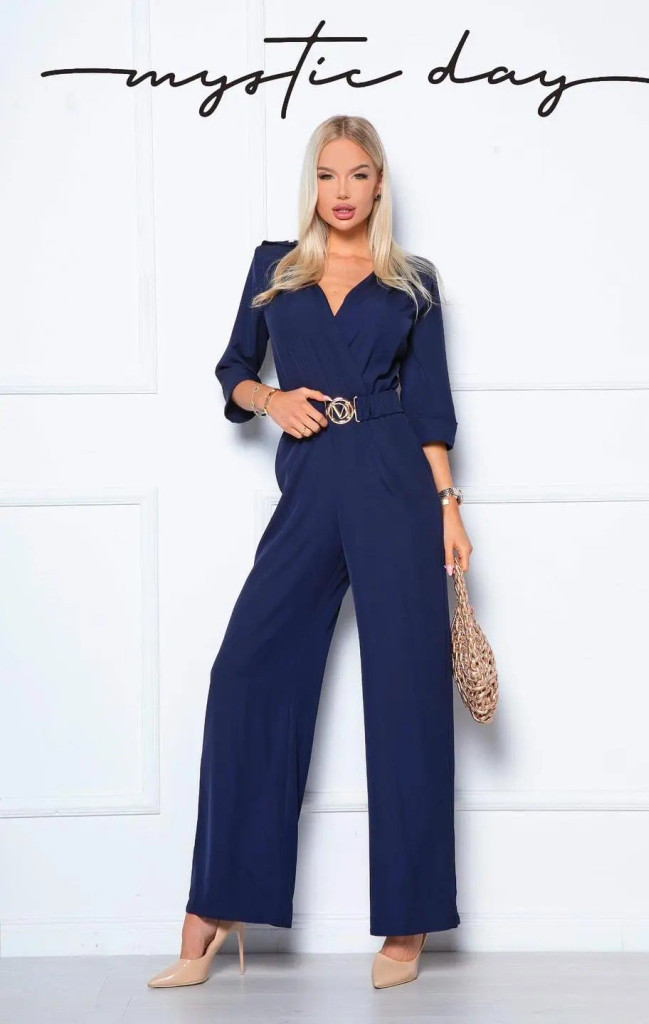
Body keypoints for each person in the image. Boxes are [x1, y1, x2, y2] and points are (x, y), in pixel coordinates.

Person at [148, 114, 473, 992]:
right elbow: (233, 370)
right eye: (327, 175)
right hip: (311, 482)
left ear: (378, 184)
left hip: (395, 484)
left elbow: (430, 404)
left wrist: (448, 506)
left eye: (357, 174)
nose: (341, 191)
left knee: (406, 692)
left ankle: (407, 920)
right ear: (312, 182)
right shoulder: (275, 266)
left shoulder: (411, 280)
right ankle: (216, 906)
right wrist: (271, 399)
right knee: (246, 671)